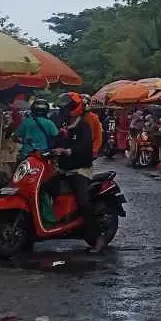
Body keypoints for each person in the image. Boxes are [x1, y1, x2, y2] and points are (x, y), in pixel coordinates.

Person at [52, 92, 106, 253]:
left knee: (83, 202)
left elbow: (85, 147)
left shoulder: (83, 126)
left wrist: (68, 150)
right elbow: (55, 141)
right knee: (47, 188)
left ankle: (97, 239)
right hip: (63, 168)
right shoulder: (64, 125)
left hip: (80, 169)